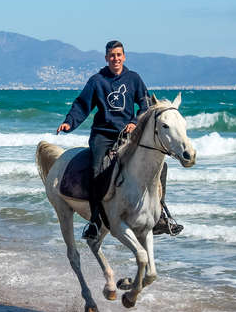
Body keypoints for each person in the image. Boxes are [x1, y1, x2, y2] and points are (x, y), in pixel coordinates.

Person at [57, 40, 181, 240]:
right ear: (106, 58)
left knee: (159, 165)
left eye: (118, 55)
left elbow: (145, 105)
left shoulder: (134, 79)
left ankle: (159, 215)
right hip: (102, 135)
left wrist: (134, 122)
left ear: (124, 57)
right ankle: (96, 220)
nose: (115, 58)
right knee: (96, 169)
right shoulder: (97, 81)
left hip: (129, 135)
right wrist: (69, 123)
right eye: (111, 55)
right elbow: (82, 105)